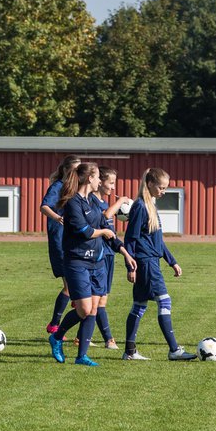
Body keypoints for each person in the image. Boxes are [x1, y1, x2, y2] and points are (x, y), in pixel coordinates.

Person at [47, 162, 135, 367]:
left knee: (93, 309)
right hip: (77, 262)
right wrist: (103, 232)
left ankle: (81, 356)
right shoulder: (72, 203)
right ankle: (57, 336)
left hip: (97, 263)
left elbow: (107, 230)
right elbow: (85, 231)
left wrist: (124, 253)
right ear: (89, 179)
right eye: (97, 178)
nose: (100, 181)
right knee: (85, 309)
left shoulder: (95, 203)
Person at [121, 168, 196, 361]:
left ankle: (129, 352)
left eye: (165, 188)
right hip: (146, 264)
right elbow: (130, 239)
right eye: (161, 187)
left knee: (139, 305)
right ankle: (174, 350)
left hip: (150, 261)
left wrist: (172, 261)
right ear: (150, 184)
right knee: (164, 301)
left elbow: (157, 241)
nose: (163, 191)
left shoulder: (150, 206)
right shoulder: (140, 207)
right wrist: (130, 267)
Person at [90, 167, 133, 350]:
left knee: (99, 301)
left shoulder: (102, 202)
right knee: (99, 301)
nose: (113, 187)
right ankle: (109, 339)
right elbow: (106, 216)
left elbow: (112, 235)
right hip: (97, 256)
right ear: (100, 182)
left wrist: (124, 252)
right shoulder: (93, 202)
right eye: (111, 183)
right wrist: (122, 201)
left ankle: (80, 336)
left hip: (109, 254)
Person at [40, 155, 81, 336]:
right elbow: (44, 207)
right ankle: (55, 325)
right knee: (70, 286)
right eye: (74, 170)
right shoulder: (57, 187)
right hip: (60, 241)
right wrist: (57, 217)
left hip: (73, 241)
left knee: (75, 287)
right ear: (65, 170)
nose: (77, 174)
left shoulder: (76, 189)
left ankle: (73, 331)